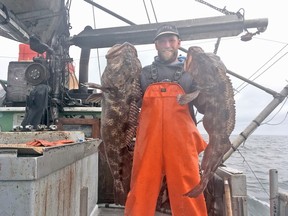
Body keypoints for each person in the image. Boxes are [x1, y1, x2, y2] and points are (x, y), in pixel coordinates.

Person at [124, 24, 208, 215]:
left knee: (189, 188)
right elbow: (130, 104)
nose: (167, 44)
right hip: (148, 142)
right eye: (162, 41)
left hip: (182, 144)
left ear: (179, 43)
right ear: (156, 45)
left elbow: (204, 106)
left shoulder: (190, 74)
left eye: (171, 40)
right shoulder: (144, 74)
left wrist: (210, 87)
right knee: (141, 188)